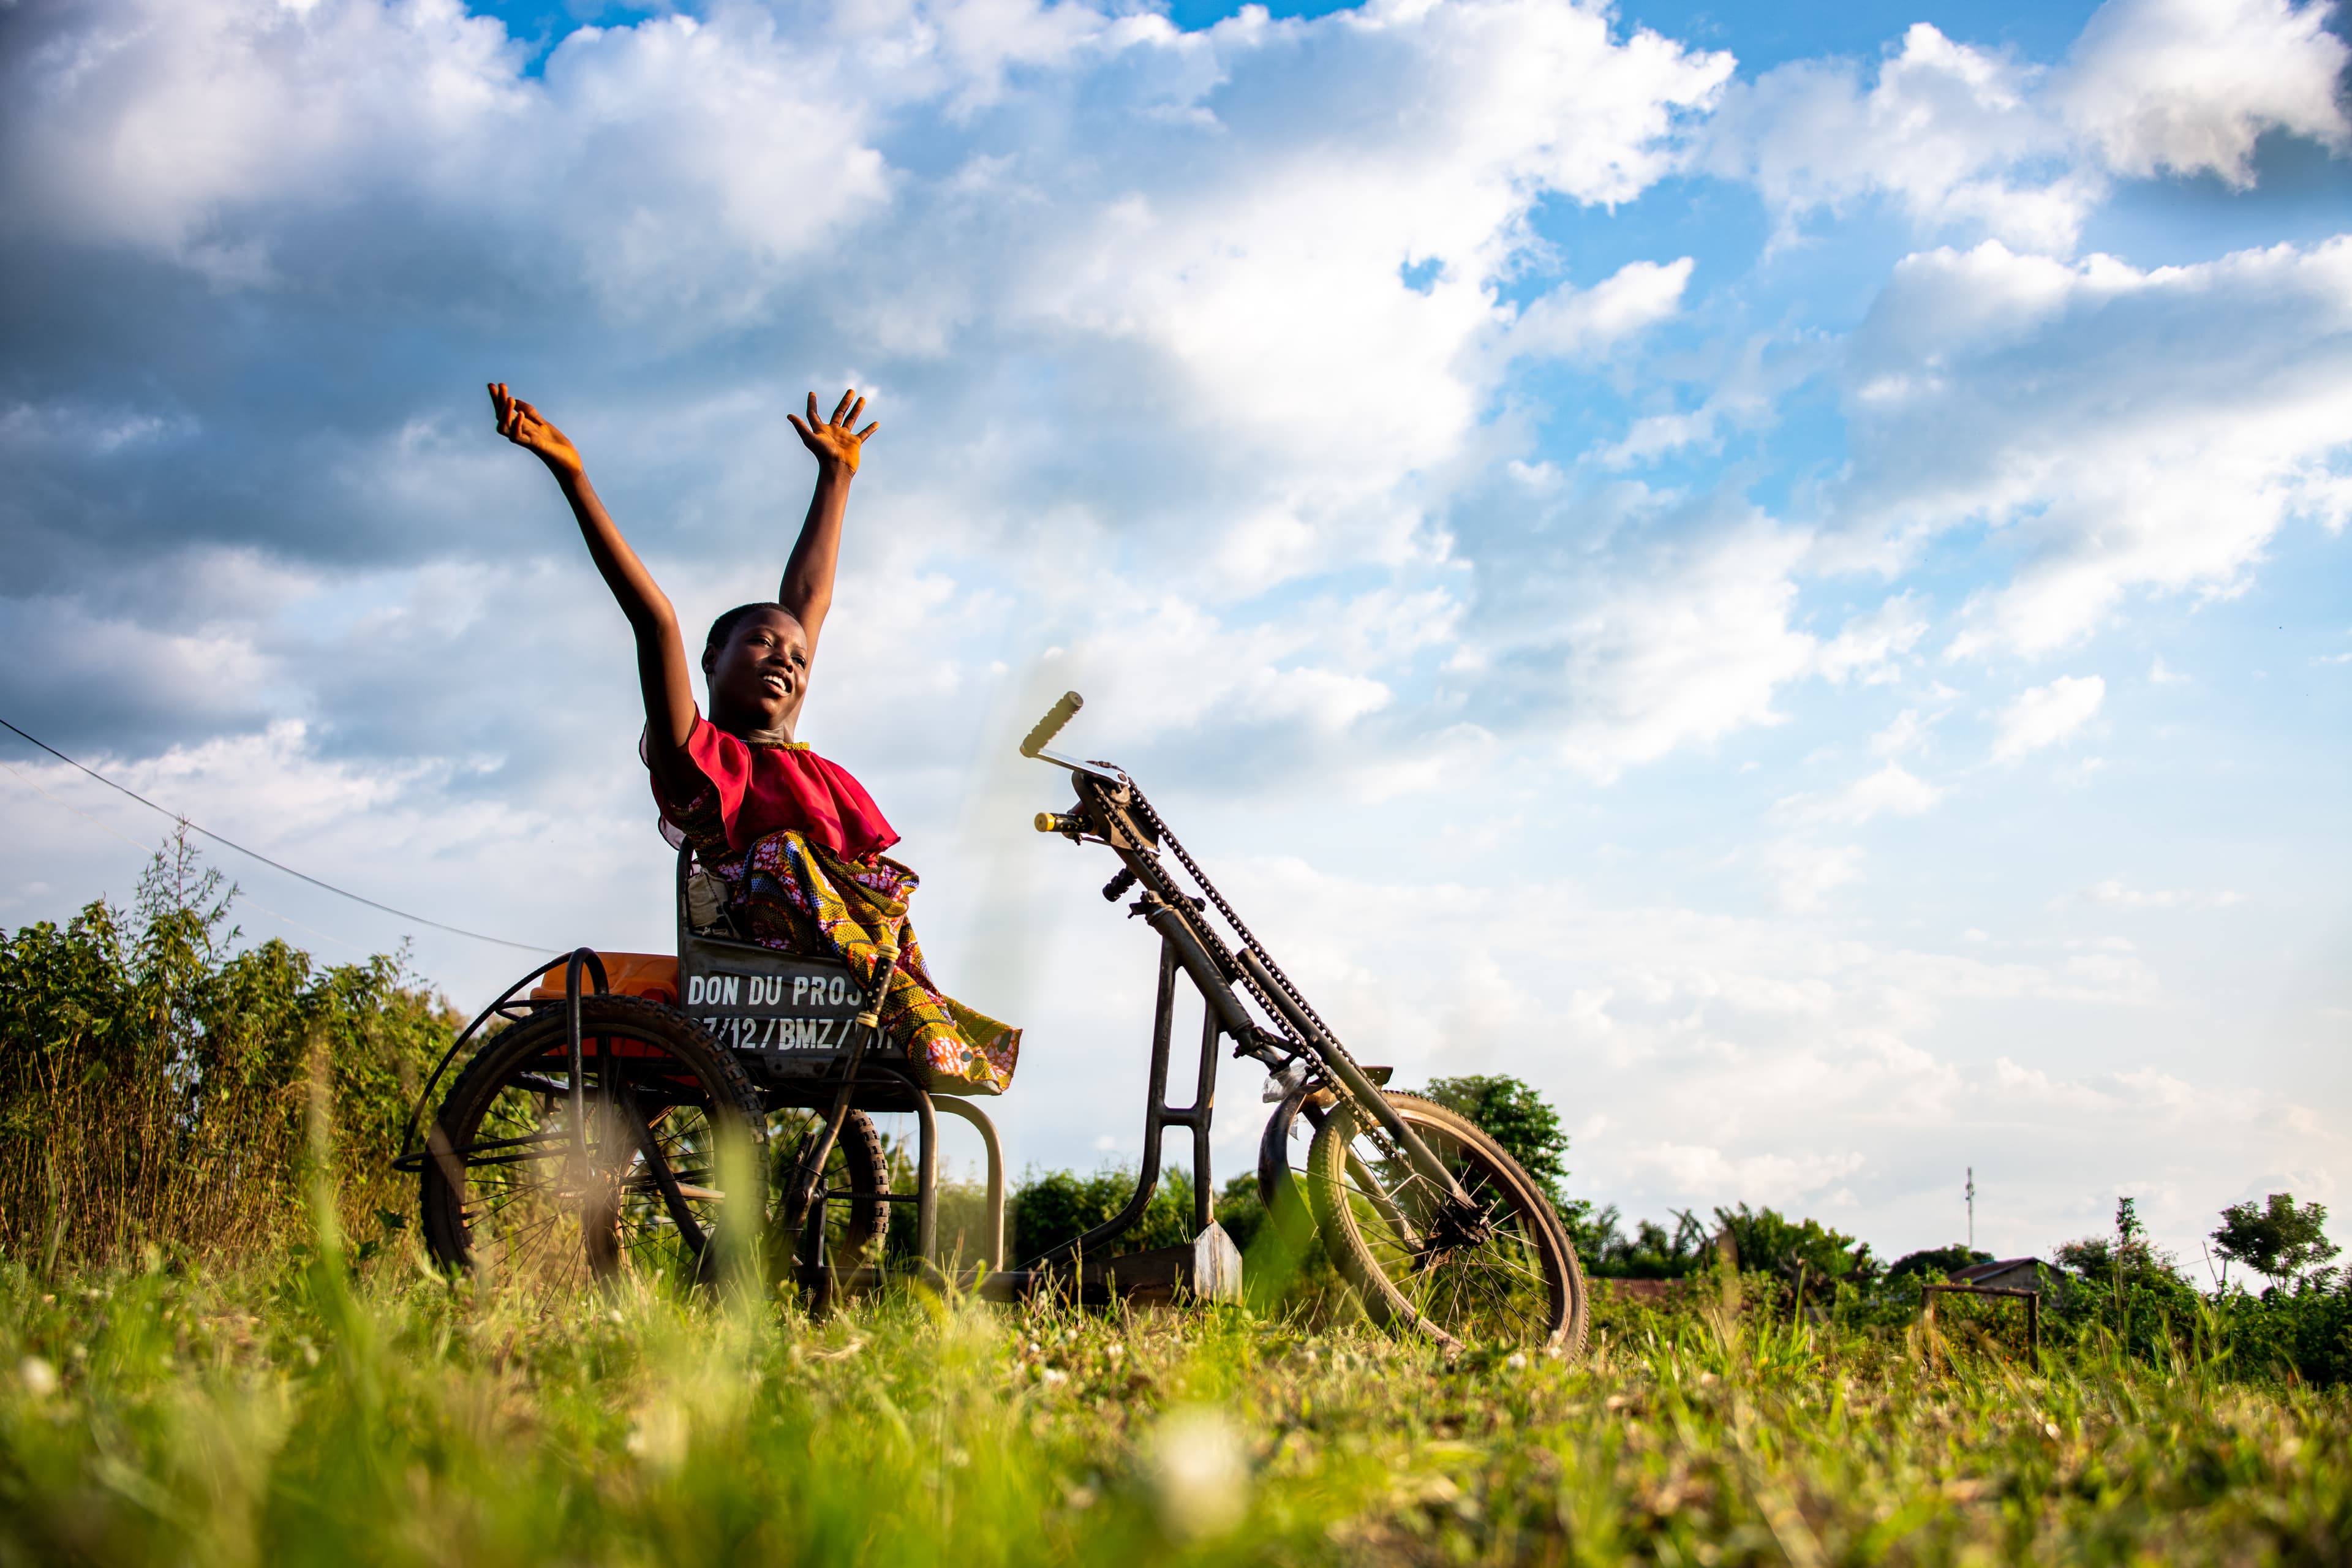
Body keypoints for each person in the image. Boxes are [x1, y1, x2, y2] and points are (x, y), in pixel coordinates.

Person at [487, 382, 1017, 1095]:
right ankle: (900, 1009)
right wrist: (573, 475)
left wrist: (838, 477)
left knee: (858, 871)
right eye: (761, 644)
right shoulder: (695, 755)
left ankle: (905, 1008)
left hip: (827, 962)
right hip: (750, 948)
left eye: (797, 658)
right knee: (783, 849)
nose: (786, 660)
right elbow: (656, 620)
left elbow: (808, 597)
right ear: (712, 660)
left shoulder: (794, 759)